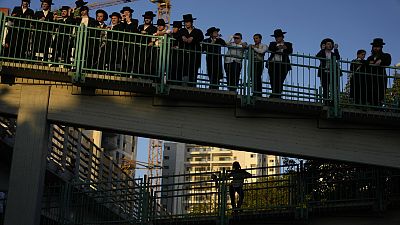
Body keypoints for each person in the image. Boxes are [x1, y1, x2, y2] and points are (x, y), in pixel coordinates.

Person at [177, 14, 204, 87]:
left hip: (194, 55)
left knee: (193, 70)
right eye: (185, 22)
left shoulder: (198, 31)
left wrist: (193, 38)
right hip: (183, 54)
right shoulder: (181, 30)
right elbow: (177, 36)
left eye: (188, 22)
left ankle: (192, 85)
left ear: (191, 22)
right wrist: (182, 37)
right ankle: (182, 85)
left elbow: (201, 37)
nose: (186, 24)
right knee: (182, 70)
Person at [267, 29, 293, 98]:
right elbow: (271, 49)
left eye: (278, 36)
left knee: (280, 80)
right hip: (273, 63)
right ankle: (274, 93)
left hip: (283, 64)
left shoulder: (288, 44)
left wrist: (282, 48)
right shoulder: (272, 43)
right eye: (276, 37)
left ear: (282, 37)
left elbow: (289, 51)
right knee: (272, 79)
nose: (277, 38)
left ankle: (277, 94)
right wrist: (280, 47)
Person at [366, 38, 392, 106]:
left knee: (380, 93)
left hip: (380, 78)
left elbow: (388, 62)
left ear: (381, 47)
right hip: (370, 78)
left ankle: (378, 106)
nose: (376, 48)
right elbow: (367, 64)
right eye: (374, 47)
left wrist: (381, 61)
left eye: (378, 47)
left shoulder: (386, 55)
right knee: (370, 93)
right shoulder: (370, 58)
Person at [316, 38, 341, 105]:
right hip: (324, 72)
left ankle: (333, 101)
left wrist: (336, 49)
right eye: (328, 44)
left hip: (332, 72)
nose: (330, 45)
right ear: (325, 45)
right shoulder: (322, 52)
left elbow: (338, 57)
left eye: (331, 44)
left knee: (333, 87)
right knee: (325, 87)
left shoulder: (333, 54)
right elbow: (317, 56)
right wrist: (322, 49)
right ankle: (326, 101)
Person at [138, 11, 157, 75]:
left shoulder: (154, 28)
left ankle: (146, 76)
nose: (147, 19)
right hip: (139, 46)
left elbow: (154, 36)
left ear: (151, 19)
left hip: (148, 47)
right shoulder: (140, 27)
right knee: (139, 61)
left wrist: (152, 41)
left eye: (149, 18)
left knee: (147, 61)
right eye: (146, 18)